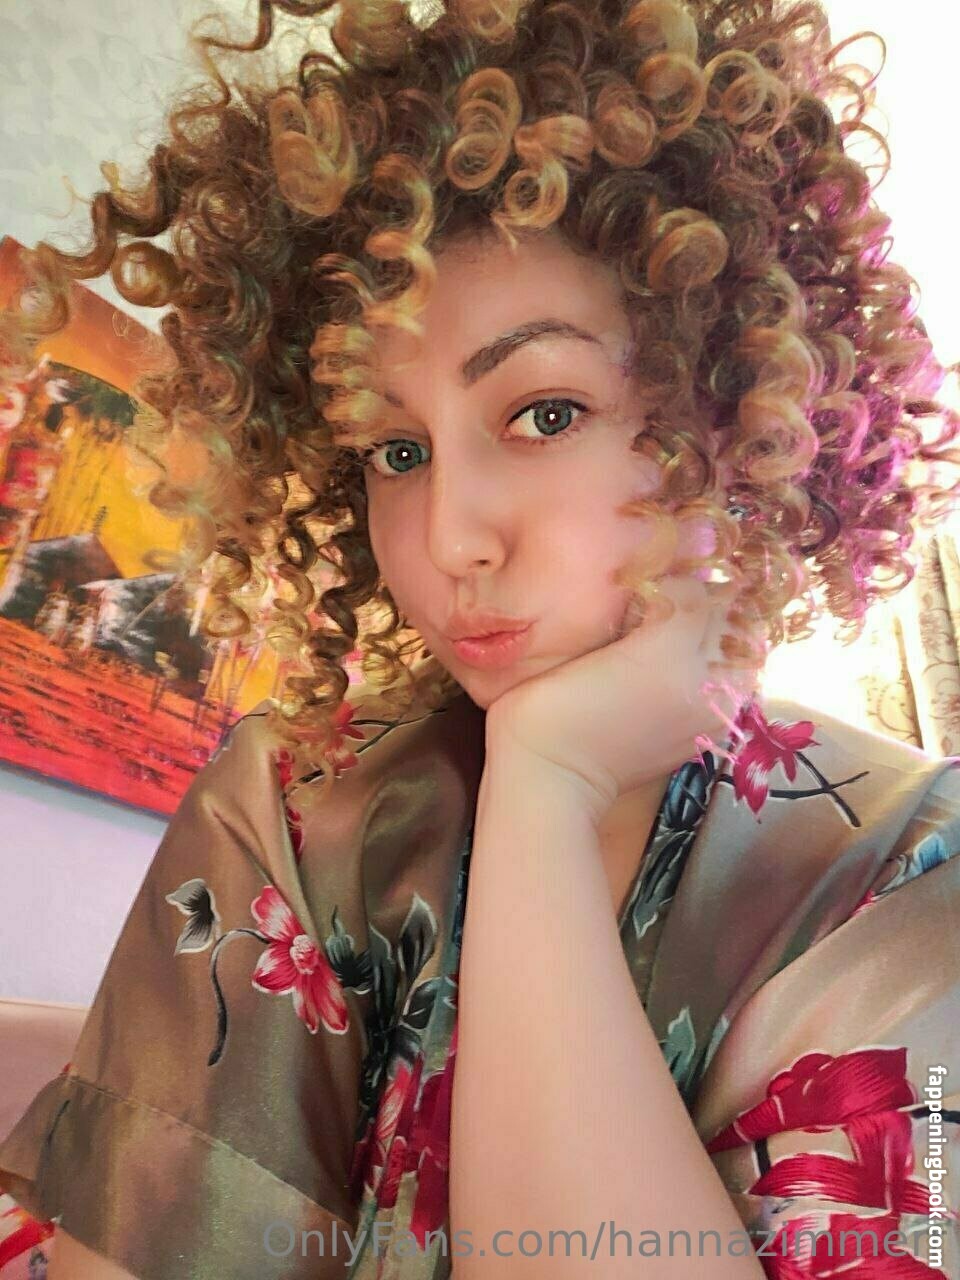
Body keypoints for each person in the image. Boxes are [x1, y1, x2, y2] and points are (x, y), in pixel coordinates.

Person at [0, 0, 959, 1276]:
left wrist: (549, 788)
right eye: (396, 450)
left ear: (738, 416)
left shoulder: (918, 874)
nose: (449, 534)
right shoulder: (294, 800)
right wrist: (541, 787)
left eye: (544, 411)